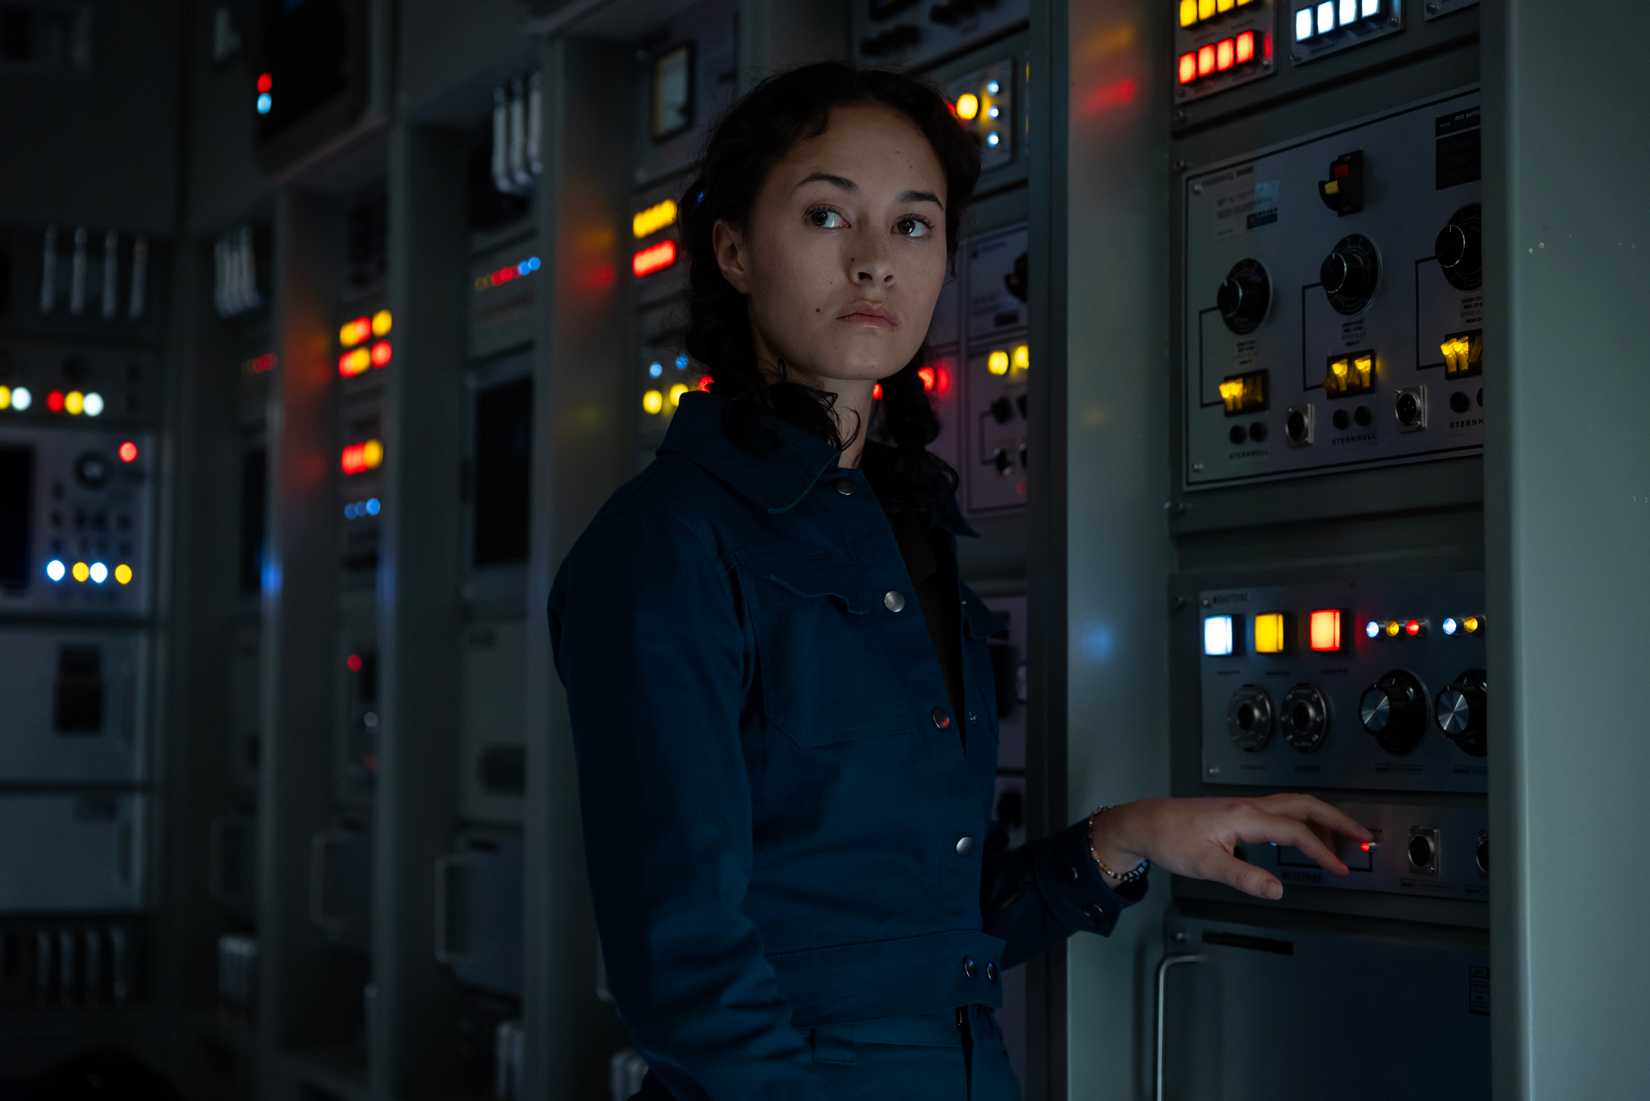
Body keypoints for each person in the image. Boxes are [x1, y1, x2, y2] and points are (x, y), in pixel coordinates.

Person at [548, 61, 1372, 1101]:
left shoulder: (904, 531)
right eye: (824, 216)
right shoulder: (667, 546)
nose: (873, 264)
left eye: (912, 225)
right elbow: (682, 964)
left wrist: (1126, 840)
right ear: (734, 252)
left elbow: (920, 928)